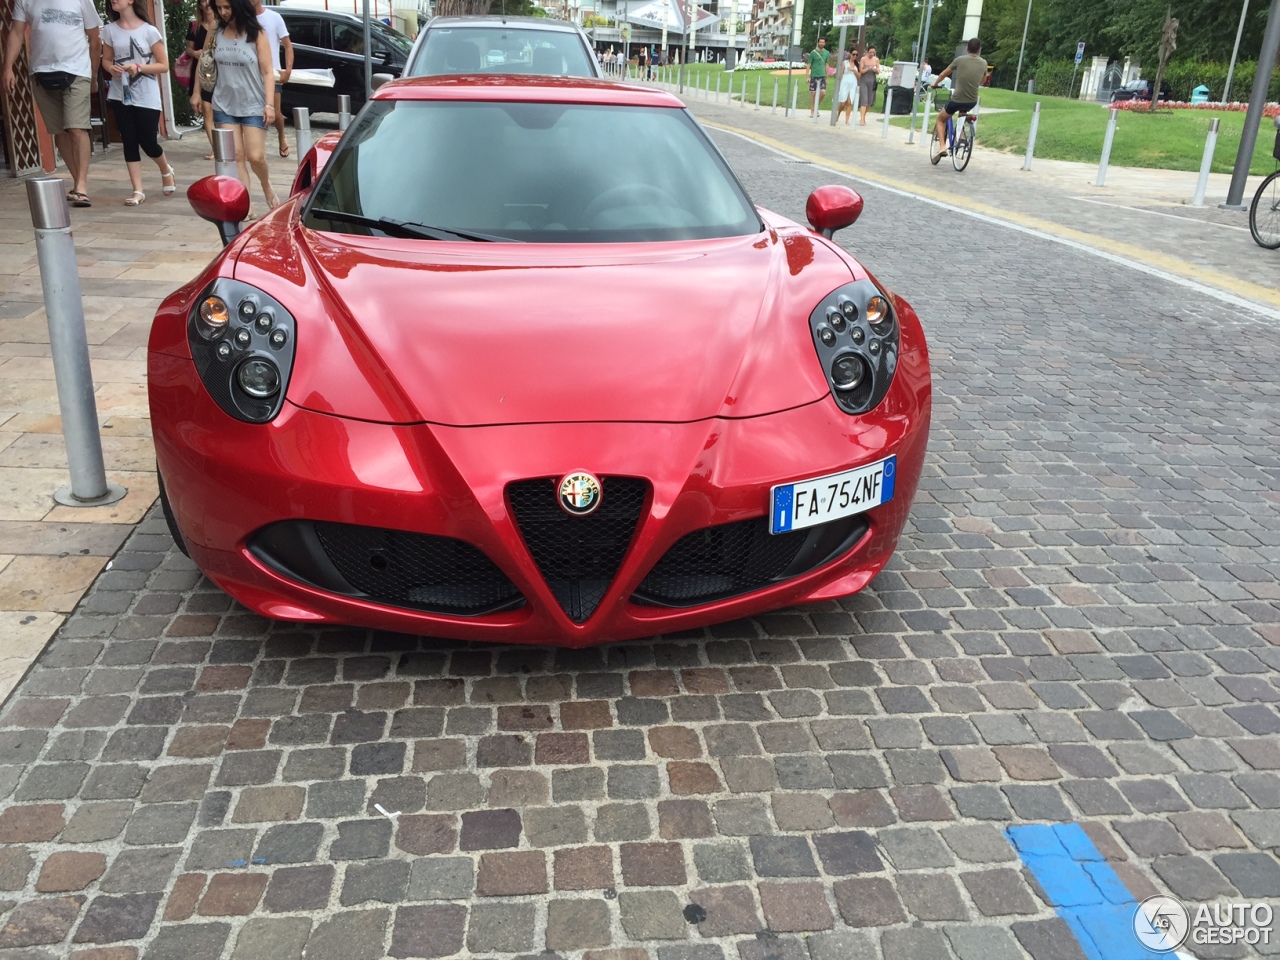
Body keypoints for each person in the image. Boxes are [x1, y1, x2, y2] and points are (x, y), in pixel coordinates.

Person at [2, 0, 102, 207]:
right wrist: (8, 67)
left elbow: (94, 38)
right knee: (59, 131)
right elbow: (16, 32)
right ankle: (78, 183)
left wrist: (93, 74)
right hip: (41, 72)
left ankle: (81, 186)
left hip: (77, 71)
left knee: (77, 128)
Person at [192, 0, 277, 213]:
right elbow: (205, 60)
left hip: (253, 104)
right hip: (224, 103)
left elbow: (268, 72)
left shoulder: (256, 34)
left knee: (255, 156)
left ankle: (266, 186)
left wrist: (269, 105)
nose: (223, 12)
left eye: (227, 7)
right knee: (236, 157)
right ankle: (245, 205)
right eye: (219, 7)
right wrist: (196, 92)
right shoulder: (215, 30)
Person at [101, 0, 174, 205]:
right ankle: (138, 190)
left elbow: (164, 65)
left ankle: (165, 169)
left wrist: (139, 67)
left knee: (148, 142)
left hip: (146, 95)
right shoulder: (109, 30)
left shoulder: (149, 31)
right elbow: (106, 59)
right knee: (129, 140)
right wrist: (111, 68)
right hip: (120, 94)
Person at [930, 37, 987, 160]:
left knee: (940, 119)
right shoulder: (984, 63)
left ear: (967, 48)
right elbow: (983, 80)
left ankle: (942, 147)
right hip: (972, 100)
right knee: (963, 113)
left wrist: (935, 84)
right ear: (979, 50)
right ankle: (961, 138)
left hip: (957, 99)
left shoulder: (959, 60)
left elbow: (944, 73)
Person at [253, 0, 292, 158]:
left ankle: (281, 136)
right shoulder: (243, 19)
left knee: (275, 112)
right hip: (250, 74)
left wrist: (287, 70)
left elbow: (288, 45)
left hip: (272, 73)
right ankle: (255, 146)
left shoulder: (274, 18)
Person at [186, 0, 217, 159]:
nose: (206, 4)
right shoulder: (195, 26)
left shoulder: (221, 26)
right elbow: (189, 48)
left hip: (220, 73)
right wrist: (195, 53)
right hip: (203, 71)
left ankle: (226, 146)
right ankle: (216, 148)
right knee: (207, 110)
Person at [835, 46, 858, 125]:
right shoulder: (845, 62)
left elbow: (859, 76)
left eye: (856, 55)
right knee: (843, 102)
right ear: (850, 54)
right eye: (853, 54)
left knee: (849, 102)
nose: (855, 56)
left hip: (853, 83)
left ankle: (847, 120)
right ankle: (838, 114)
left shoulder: (857, 65)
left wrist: (854, 70)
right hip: (845, 82)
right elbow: (841, 72)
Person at [806, 36, 827, 118]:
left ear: (825, 43)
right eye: (820, 42)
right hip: (814, 75)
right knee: (812, 93)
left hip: (822, 75)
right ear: (818, 42)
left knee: (823, 93)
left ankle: (816, 106)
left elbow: (827, 65)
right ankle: (812, 111)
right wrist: (807, 76)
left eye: (823, 42)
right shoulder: (813, 53)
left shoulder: (826, 53)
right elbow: (809, 64)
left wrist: (827, 77)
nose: (821, 43)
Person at [857, 45, 878, 125]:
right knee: (864, 100)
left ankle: (863, 117)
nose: (872, 54)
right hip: (864, 80)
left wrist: (875, 70)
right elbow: (861, 71)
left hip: (872, 80)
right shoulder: (863, 59)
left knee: (869, 101)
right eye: (870, 52)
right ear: (867, 52)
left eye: (873, 52)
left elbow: (878, 70)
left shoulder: (876, 60)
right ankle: (862, 120)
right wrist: (868, 68)